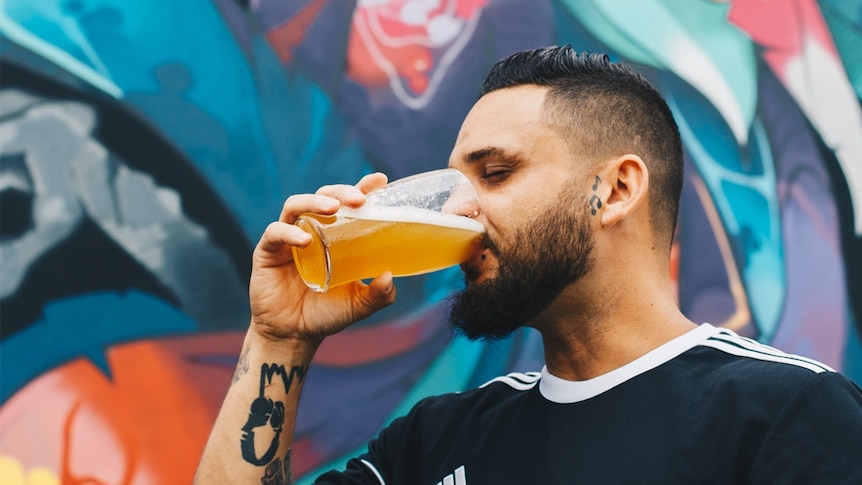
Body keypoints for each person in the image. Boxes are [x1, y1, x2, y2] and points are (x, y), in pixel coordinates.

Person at [194, 45, 862, 484]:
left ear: (617, 190)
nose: (460, 208)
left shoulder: (786, 412)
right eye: (455, 181)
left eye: (495, 172)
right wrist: (280, 335)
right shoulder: (436, 442)